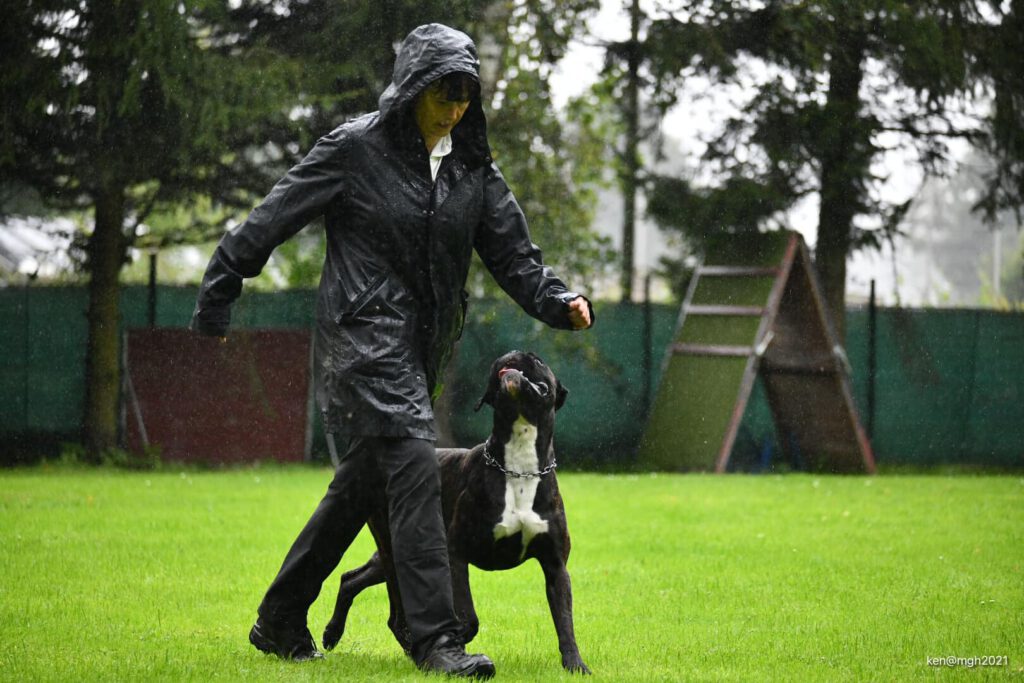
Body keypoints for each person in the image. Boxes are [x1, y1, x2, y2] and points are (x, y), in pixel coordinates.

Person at [191, 23, 593, 678]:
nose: (457, 105)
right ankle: (436, 637)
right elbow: (274, 213)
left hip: (419, 352)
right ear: (410, 90)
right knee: (411, 461)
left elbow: (515, 256)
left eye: (467, 93)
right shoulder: (354, 150)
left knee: (361, 484)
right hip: (360, 341)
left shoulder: (472, 170)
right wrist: (219, 288)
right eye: (445, 91)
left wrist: (557, 300)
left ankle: (281, 617)